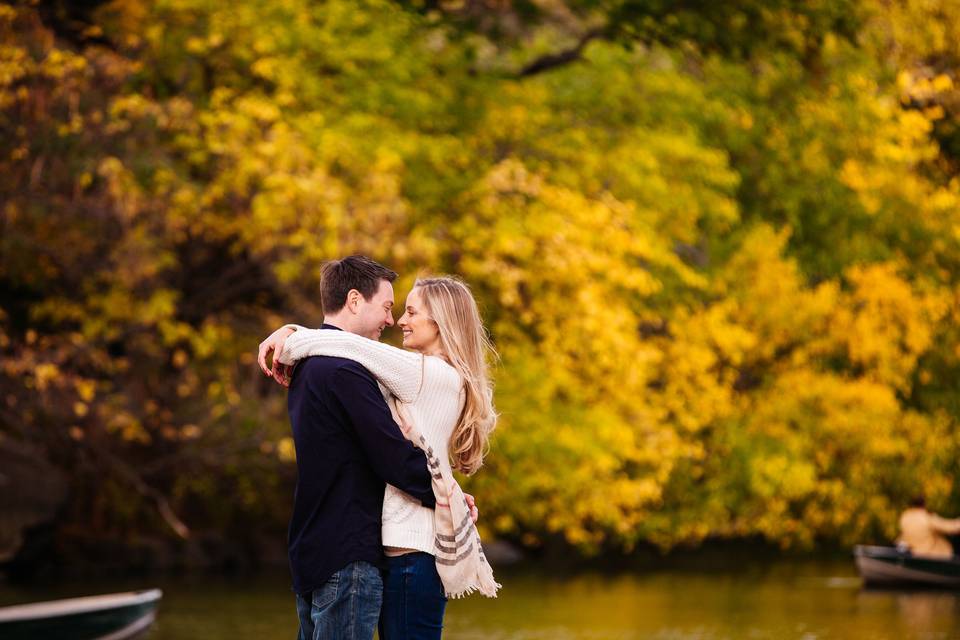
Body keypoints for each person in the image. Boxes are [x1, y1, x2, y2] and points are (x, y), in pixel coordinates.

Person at [258, 263, 496, 640]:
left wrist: (288, 338)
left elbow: (349, 346)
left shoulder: (426, 372)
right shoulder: (410, 374)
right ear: (355, 300)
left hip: (412, 549)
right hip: (399, 549)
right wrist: (444, 488)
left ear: (441, 322)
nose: (397, 319)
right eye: (392, 308)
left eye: (411, 312)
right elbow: (347, 349)